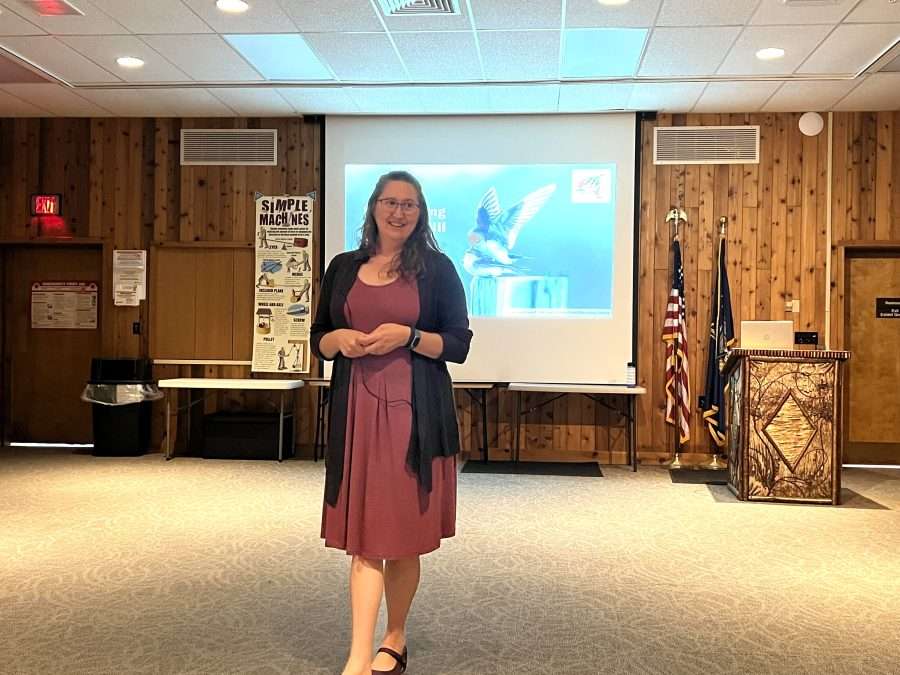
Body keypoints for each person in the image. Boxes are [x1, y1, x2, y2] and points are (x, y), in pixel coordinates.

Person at [311, 171, 472, 675]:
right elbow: (319, 334)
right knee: (362, 537)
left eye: (409, 204)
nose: (398, 211)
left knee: (400, 536)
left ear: (420, 213)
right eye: (389, 201)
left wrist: (407, 335)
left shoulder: (438, 270)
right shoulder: (342, 267)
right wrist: (337, 342)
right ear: (374, 207)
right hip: (356, 414)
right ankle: (359, 654)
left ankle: (395, 637)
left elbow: (459, 345)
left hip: (413, 418)